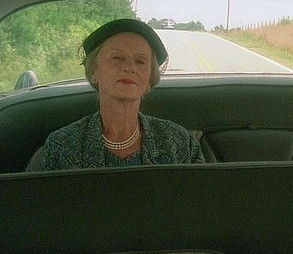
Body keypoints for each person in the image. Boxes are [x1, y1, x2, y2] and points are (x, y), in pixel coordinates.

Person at [41, 18, 204, 169]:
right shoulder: (61, 145)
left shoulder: (179, 142)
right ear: (94, 71)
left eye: (140, 61)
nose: (129, 67)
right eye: (117, 58)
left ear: (150, 79)